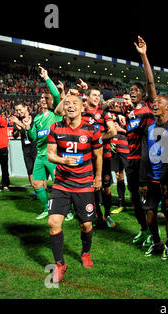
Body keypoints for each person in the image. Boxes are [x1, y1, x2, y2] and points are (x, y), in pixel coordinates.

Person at [47, 93, 103, 283]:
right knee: (53, 223)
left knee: (86, 224)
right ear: (63, 108)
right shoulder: (55, 127)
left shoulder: (91, 130)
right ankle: (60, 264)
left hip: (83, 184)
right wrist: (63, 160)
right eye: (67, 103)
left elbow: (98, 156)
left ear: (82, 107)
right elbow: (50, 155)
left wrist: (98, 177)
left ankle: (85, 252)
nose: (70, 106)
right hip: (61, 184)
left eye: (75, 103)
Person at [55, 86, 116, 228]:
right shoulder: (80, 111)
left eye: (98, 95)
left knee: (105, 188)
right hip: (87, 158)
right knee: (91, 187)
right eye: (94, 95)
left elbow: (112, 131)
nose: (97, 98)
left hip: (103, 155)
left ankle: (107, 214)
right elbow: (58, 111)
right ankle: (97, 214)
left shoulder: (104, 112)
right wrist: (68, 96)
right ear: (86, 97)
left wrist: (96, 139)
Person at [121, 36, 157, 246]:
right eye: (130, 91)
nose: (132, 92)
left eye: (136, 91)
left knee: (147, 201)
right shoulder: (128, 111)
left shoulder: (148, 108)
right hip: (130, 161)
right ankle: (144, 230)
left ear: (143, 95)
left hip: (146, 161)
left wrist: (144, 56)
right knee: (134, 199)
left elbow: (150, 82)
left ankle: (154, 235)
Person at [139, 95, 168, 259]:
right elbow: (144, 155)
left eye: (159, 103)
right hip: (151, 179)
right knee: (149, 213)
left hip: (167, 181)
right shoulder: (149, 128)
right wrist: (142, 181)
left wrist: (166, 181)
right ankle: (156, 241)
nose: (155, 105)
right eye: (154, 103)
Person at [25, 66, 64, 220]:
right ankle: (47, 209)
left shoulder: (56, 113)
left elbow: (55, 93)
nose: (43, 100)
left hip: (53, 155)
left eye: (45, 98)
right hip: (40, 156)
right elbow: (32, 137)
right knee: (36, 184)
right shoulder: (37, 119)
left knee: (60, 185)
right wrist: (28, 127)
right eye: (41, 98)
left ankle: (67, 210)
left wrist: (46, 78)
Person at [10, 104, 38, 194]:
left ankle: (42, 190)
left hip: (36, 148)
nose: (18, 112)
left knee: (38, 171)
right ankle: (35, 192)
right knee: (30, 171)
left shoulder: (34, 117)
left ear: (26, 107)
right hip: (26, 150)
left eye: (20, 109)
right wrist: (17, 130)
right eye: (17, 110)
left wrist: (20, 124)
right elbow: (14, 136)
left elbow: (30, 129)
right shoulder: (18, 120)